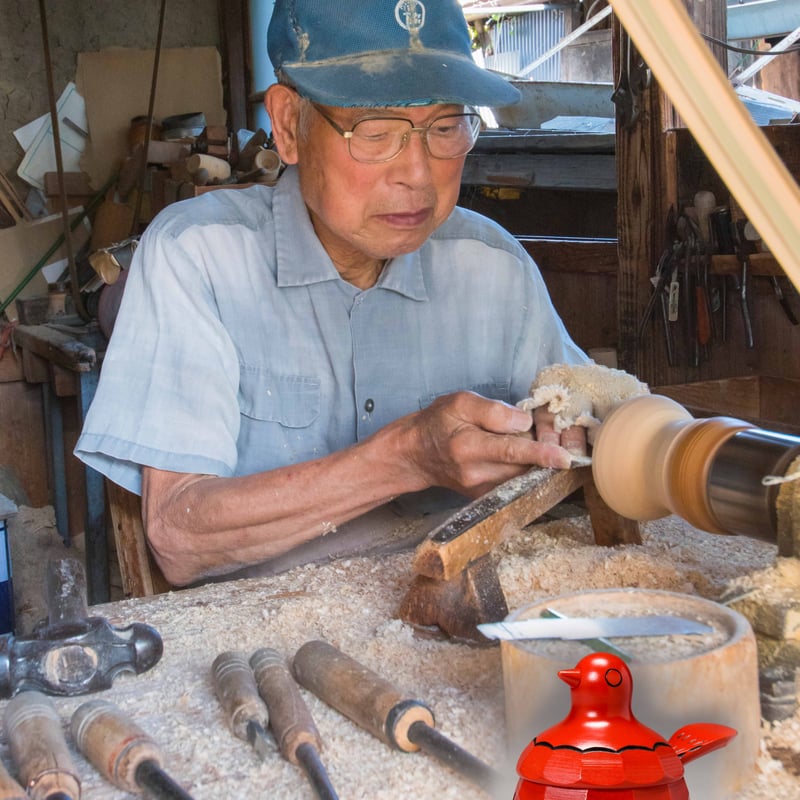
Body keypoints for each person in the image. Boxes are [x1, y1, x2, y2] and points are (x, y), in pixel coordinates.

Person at [75, 0, 589, 587]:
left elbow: (587, 414)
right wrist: (406, 457)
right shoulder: (199, 258)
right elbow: (178, 537)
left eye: (445, 128)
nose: (418, 174)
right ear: (289, 125)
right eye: (376, 132)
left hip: (461, 617)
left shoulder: (493, 267)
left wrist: (577, 429)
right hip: (265, 641)